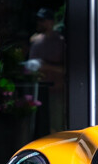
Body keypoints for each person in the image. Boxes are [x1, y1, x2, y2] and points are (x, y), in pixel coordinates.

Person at [26, 7, 67, 135]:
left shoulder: (61, 42)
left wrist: (47, 66)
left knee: (56, 127)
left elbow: (67, 70)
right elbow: (30, 68)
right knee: (39, 127)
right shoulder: (36, 42)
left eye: (43, 20)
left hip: (57, 92)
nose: (40, 23)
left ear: (52, 22)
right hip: (38, 92)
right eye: (39, 20)